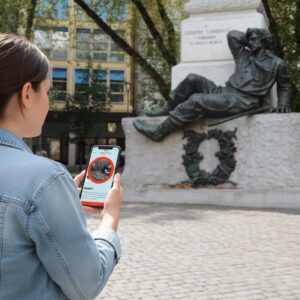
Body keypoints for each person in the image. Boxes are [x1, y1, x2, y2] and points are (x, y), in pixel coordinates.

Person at [0, 33, 123, 299]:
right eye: (47, 90)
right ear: (26, 93)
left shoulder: (44, 183)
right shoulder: (43, 179)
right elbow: (87, 283)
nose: (48, 101)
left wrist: (54, 208)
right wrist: (109, 222)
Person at [134, 28, 292, 142]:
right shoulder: (244, 55)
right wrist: (250, 35)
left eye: (255, 39)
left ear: (264, 41)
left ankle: (158, 132)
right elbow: (232, 36)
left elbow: (284, 86)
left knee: (196, 100)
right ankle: (168, 108)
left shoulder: (277, 64)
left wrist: (284, 104)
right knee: (192, 79)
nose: (250, 42)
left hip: (243, 100)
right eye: (249, 40)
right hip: (226, 91)